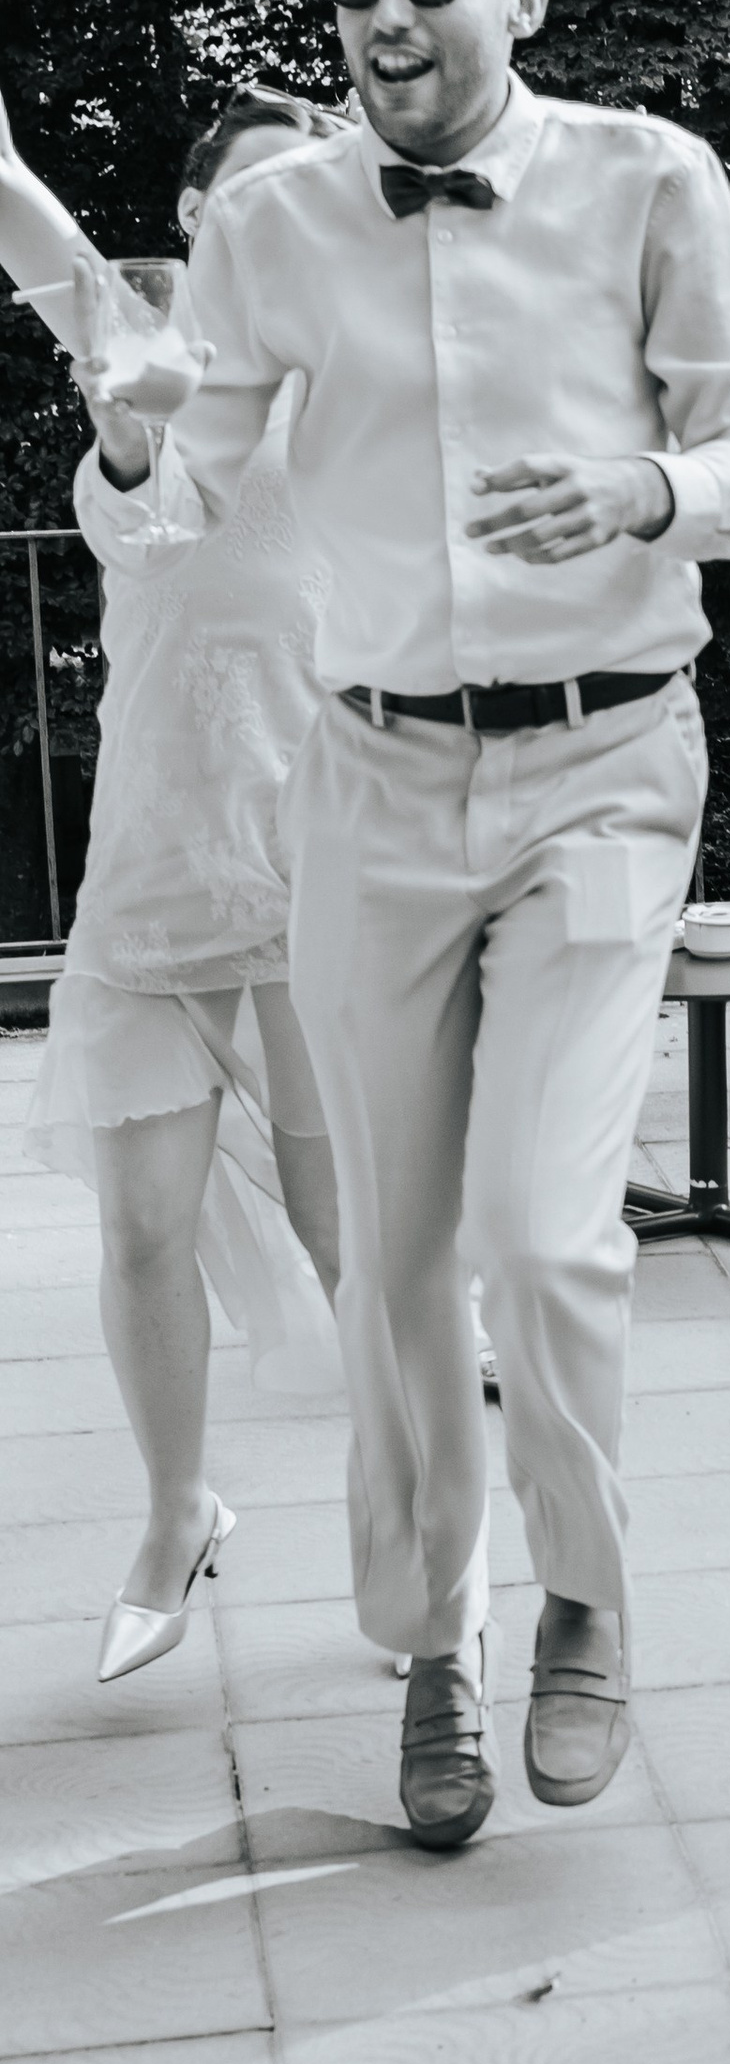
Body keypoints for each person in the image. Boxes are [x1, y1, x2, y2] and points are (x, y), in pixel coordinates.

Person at [78, 0, 730, 1846]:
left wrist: (649, 491)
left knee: (546, 1227)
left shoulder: (652, 178)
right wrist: (137, 435)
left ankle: (584, 1592)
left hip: (605, 763)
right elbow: (189, 495)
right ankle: (432, 1645)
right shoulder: (274, 224)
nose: (384, 11)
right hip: (372, 779)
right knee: (395, 1258)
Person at [8, 90, 342, 1683]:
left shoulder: (359, 376)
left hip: (320, 877)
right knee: (142, 1229)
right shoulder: (140, 348)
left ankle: (426, 1543)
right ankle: (174, 1515)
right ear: (199, 214)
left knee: (360, 1246)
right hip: (156, 875)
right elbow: (27, 222)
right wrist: (132, 432)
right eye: (249, 192)